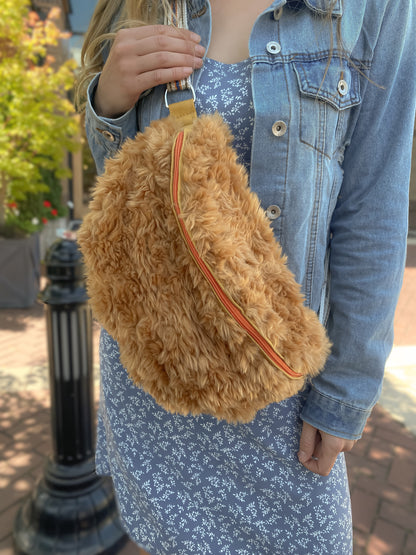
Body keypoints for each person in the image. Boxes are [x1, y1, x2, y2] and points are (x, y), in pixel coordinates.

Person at [77, 1, 416, 553]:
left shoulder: (376, 8)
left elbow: (374, 205)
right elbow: (124, 196)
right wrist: (108, 105)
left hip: (282, 389)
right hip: (159, 370)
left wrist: (347, 392)